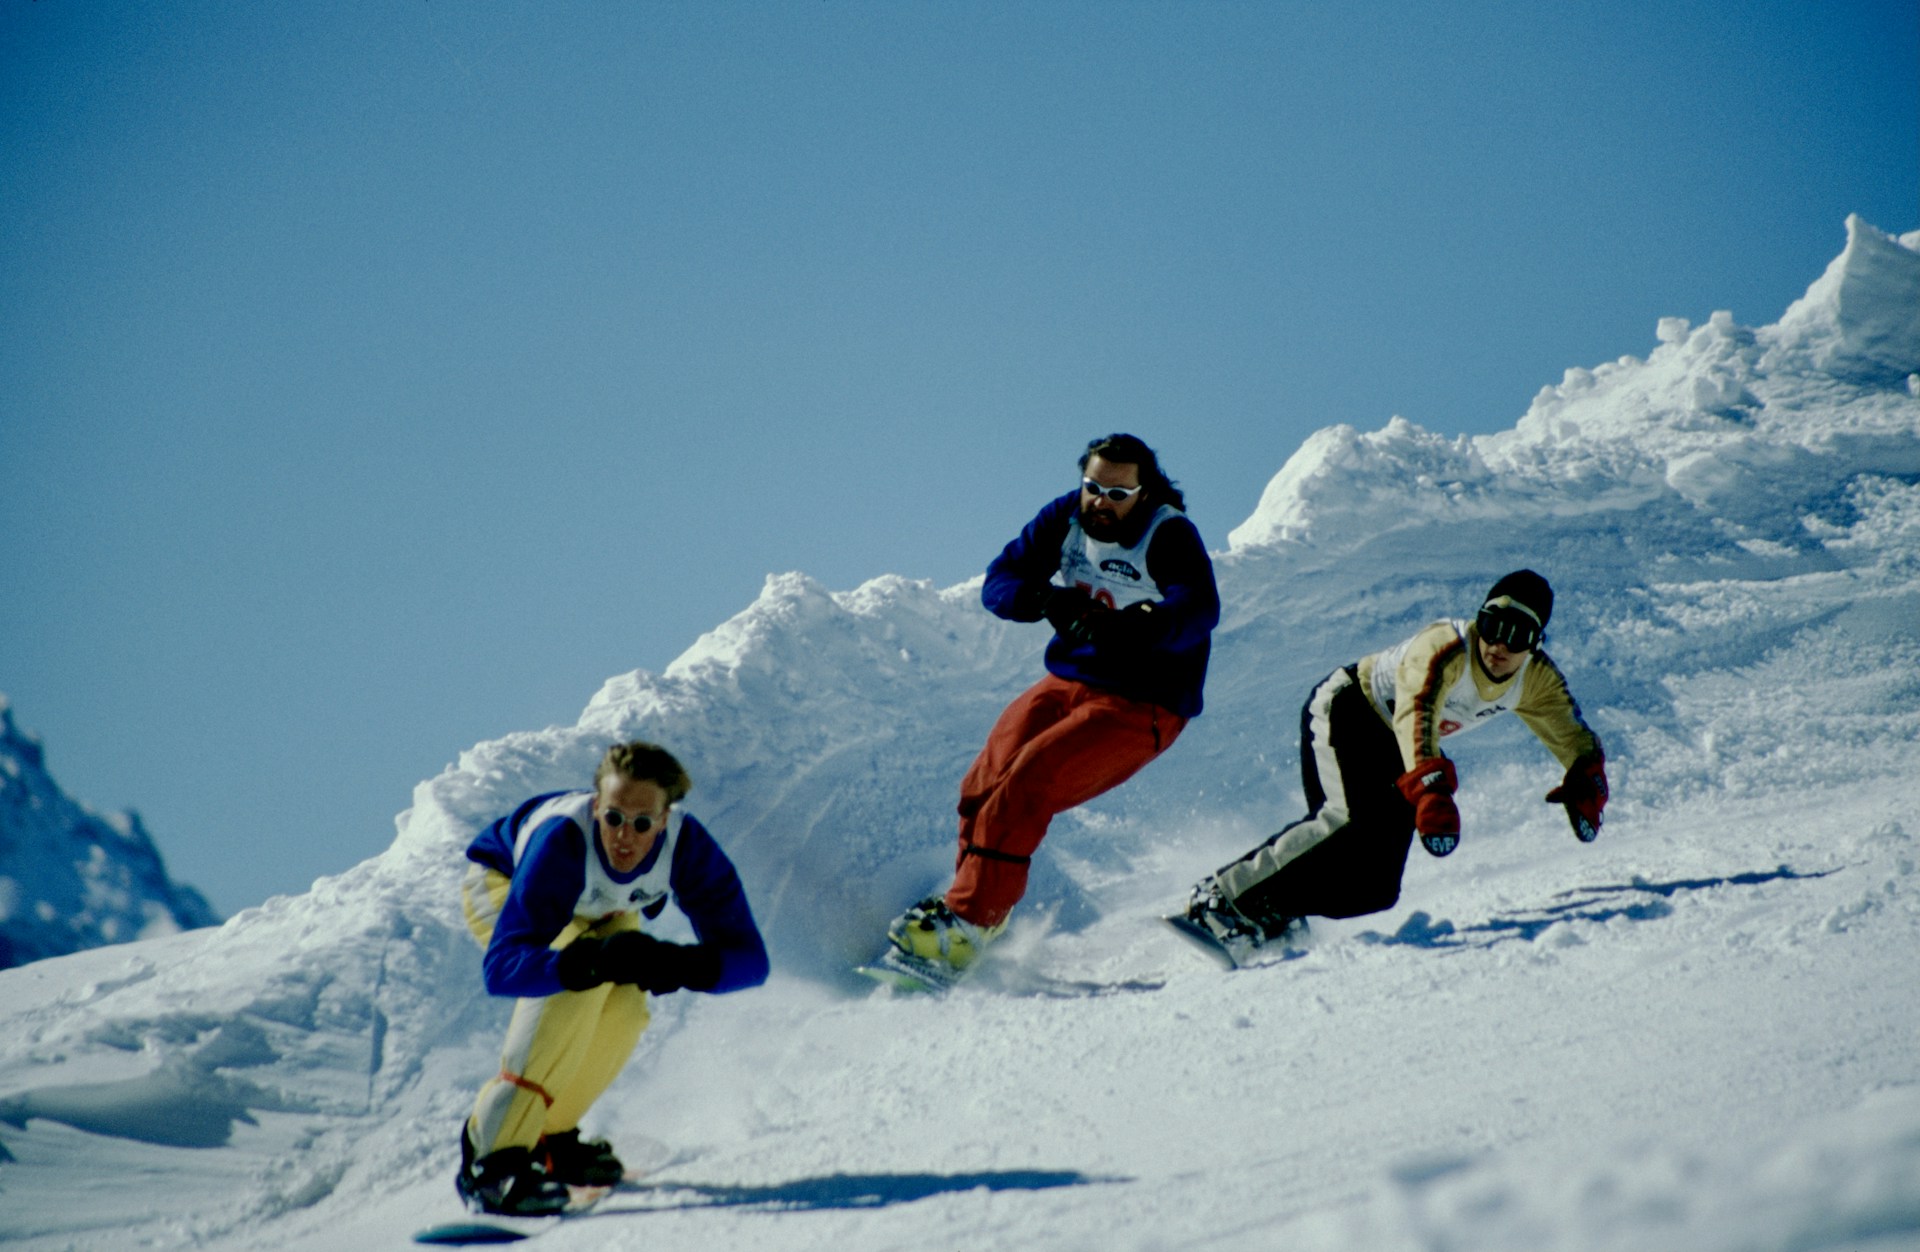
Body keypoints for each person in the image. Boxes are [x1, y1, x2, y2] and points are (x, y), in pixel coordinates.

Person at [884, 433, 1221, 981]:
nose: (1100, 502)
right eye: (1093, 487)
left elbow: (1200, 608)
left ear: (1143, 492)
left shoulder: (1168, 534)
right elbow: (1000, 580)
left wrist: (1141, 624)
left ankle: (970, 922)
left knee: (1028, 783)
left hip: (1142, 703)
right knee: (984, 784)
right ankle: (970, 914)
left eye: (1118, 493)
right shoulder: (1065, 519)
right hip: (1069, 681)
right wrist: (1043, 598)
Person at [1180, 570, 1609, 959]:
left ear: (1536, 644)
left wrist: (1586, 778)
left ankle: (1273, 910)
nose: (1499, 645)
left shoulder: (1536, 681)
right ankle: (1222, 898)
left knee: (1376, 888)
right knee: (1346, 822)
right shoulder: (1445, 647)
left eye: (1519, 635)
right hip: (1351, 709)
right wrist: (1432, 787)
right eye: (1494, 626)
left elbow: (1573, 737)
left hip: (1399, 749)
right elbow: (1416, 712)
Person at [455, 740, 768, 1215]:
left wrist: (677, 964)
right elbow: (503, 968)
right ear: (595, 805)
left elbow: (749, 960)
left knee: (624, 1009)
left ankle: (552, 1139)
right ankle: (491, 1161)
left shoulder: (689, 848)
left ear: (664, 821)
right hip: (502, 883)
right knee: (570, 992)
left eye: (642, 824)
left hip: (599, 908)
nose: (625, 836)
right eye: (613, 817)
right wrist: (585, 963)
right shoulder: (560, 841)